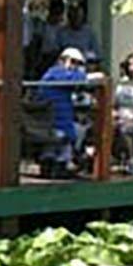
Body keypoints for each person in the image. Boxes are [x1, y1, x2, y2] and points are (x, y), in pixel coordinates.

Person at [36, 46, 93, 176]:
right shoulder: (56, 73)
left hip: (52, 120)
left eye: (78, 64)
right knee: (78, 130)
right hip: (54, 122)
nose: (75, 66)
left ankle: (53, 164)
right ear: (63, 60)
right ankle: (63, 164)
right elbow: (77, 79)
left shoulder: (55, 75)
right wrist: (92, 76)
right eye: (73, 62)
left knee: (72, 130)